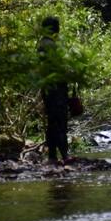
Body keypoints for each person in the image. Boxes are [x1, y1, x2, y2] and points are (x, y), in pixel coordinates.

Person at [37, 16, 71, 165]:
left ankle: (52, 156)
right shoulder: (49, 45)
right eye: (57, 26)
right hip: (56, 89)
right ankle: (64, 155)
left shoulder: (42, 44)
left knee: (52, 122)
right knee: (59, 121)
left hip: (48, 88)